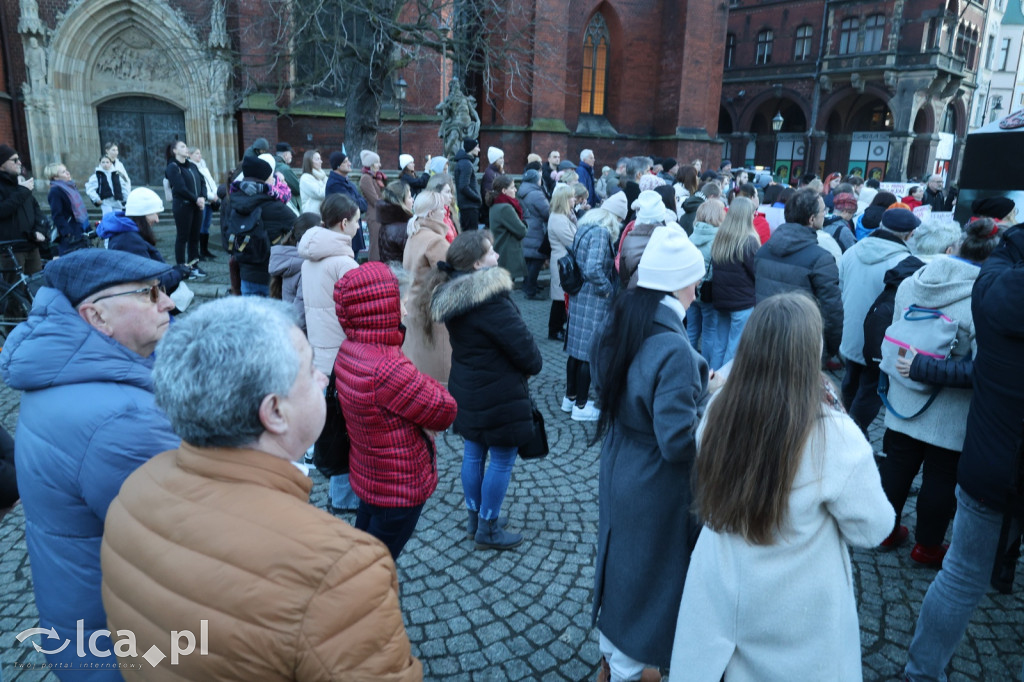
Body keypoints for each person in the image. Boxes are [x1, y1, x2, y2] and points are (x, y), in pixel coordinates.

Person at [100, 297, 422, 681]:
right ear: (274, 413)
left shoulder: (133, 492)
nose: (323, 378)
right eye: (309, 370)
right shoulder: (342, 568)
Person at [670, 293, 894, 681]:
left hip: (722, 593)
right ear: (812, 354)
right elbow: (874, 527)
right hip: (798, 616)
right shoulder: (835, 436)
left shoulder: (717, 413)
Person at [0, 249, 179, 674]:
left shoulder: (67, 372)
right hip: (133, 647)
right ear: (96, 318)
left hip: (83, 624)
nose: (167, 302)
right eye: (150, 293)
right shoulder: (122, 420)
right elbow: (195, 538)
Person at [591, 226, 713, 681]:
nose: (698, 290)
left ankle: (613, 658)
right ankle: (626, 667)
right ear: (679, 283)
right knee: (647, 573)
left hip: (620, 461)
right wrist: (712, 414)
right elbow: (679, 441)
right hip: (656, 481)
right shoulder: (673, 348)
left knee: (621, 559)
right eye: (694, 280)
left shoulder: (622, 318)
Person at [903, 223, 1024, 681]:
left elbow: (997, 261)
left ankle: (920, 673)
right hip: (993, 460)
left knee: (960, 576)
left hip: (991, 460)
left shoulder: (994, 294)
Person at [878, 218, 1000, 566]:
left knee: (896, 465)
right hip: (951, 409)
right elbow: (982, 366)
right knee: (941, 478)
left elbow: (897, 331)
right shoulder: (986, 296)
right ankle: (927, 546)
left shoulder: (913, 281)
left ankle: (885, 530)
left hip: (903, 395)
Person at [335, 263, 457, 559]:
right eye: (400, 304)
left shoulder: (351, 349)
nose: (404, 312)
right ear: (381, 310)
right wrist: (428, 380)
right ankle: (364, 603)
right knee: (375, 564)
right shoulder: (388, 368)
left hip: (370, 475)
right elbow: (444, 410)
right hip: (398, 486)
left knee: (364, 547)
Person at [430, 230, 543, 549]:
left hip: (467, 386)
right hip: (499, 393)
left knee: (474, 451)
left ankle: (475, 517)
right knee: (503, 458)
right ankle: (488, 529)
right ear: (478, 265)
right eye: (491, 253)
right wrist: (534, 364)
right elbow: (526, 351)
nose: (496, 256)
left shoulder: (453, 293)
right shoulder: (490, 300)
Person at [838, 207, 919, 433]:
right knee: (871, 390)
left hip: (850, 334)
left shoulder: (852, 250)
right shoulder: (906, 261)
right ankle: (852, 434)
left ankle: (839, 426)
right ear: (908, 235)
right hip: (879, 340)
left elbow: (840, 288)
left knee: (850, 381)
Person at [755, 187, 843, 361]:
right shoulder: (821, 259)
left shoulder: (763, 251)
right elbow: (832, 312)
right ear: (811, 219)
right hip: (802, 346)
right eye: (823, 210)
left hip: (765, 338)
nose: (825, 213)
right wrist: (827, 350)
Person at [565, 206, 621, 421]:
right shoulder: (600, 233)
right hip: (594, 299)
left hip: (580, 295)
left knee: (575, 351)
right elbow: (593, 269)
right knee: (589, 352)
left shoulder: (584, 229)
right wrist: (608, 290)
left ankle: (570, 399)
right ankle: (580, 405)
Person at [227, 155, 296, 296]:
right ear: (265, 179)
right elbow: (300, 229)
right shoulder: (276, 206)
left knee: (252, 317)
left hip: (245, 275)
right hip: (270, 278)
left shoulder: (232, 202)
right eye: (271, 177)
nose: (273, 180)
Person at [97, 187, 190, 292]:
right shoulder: (129, 241)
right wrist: (178, 273)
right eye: (155, 214)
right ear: (143, 214)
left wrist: (175, 270)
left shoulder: (127, 234)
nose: (157, 220)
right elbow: (149, 282)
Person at [403, 191, 453, 385]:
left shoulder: (415, 234)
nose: (444, 212)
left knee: (418, 364)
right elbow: (451, 275)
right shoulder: (434, 240)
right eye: (442, 209)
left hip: (414, 307)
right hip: (430, 311)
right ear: (432, 214)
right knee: (437, 375)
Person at [710, 196, 759, 369]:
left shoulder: (720, 238)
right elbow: (756, 273)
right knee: (734, 347)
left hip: (721, 300)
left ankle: (712, 379)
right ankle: (724, 386)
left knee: (719, 343)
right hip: (742, 301)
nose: (755, 215)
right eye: (753, 212)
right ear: (746, 215)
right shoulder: (748, 241)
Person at [689, 197, 726, 364]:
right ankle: (704, 368)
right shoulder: (719, 239)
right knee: (709, 331)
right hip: (708, 292)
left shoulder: (692, 235)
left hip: (690, 289)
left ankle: (687, 364)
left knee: (691, 329)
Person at [0, 145, 46, 275]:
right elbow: (2, 210)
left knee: (37, 287)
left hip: (31, 245)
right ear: (1, 164)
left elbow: (36, 210)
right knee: (16, 291)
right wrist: (22, 191)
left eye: (19, 159)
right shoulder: (21, 188)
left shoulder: (20, 185)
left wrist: (39, 230)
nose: (19, 163)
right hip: (10, 249)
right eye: (14, 160)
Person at [269, 211, 320, 328]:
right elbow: (299, 311)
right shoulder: (305, 265)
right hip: (301, 332)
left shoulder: (289, 256)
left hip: (289, 324)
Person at [164, 139, 207, 275]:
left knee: (195, 237)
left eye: (186, 146)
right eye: (182, 147)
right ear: (175, 151)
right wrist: (196, 199)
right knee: (183, 237)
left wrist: (203, 198)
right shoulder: (172, 167)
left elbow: (202, 182)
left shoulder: (192, 166)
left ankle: (194, 266)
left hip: (196, 206)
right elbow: (180, 187)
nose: (186, 149)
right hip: (183, 206)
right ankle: (181, 268)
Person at [487, 175, 527, 285]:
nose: (515, 190)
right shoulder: (505, 207)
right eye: (512, 187)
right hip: (507, 254)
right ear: (504, 191)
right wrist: (524, 224)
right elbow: (521, 231)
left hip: (502, 251)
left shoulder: (496, 204)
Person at [45, 162, 91, 255]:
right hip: (71, 233)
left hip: (80, 228)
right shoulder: (55, 191)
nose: (68, 173)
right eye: (63, 172)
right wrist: (68, 233)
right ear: (55, 177)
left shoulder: (70, 187)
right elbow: (57, 215)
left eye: (66, 170)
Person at [326, 151, 367, 254]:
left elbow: (363, 204)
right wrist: (359, 202)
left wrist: (359, 202)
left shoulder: (348, 183)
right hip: (344, 233)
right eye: (345, 162)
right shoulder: (334, 184)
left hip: (352, 231)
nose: (349, 164)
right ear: (338, 166)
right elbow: (352, 206)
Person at [518, 168, 550, 300]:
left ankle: (528, 285)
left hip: (528, 228)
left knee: (529, 261)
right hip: (536, 229)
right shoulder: (536, 194)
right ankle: (530, 290)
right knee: (537, 260)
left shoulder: (522, 190)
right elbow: (547, 212)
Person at [378, 180, 414, 263]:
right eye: (409, 197)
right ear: (400, 201)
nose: (412, 200)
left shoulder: (387, 221)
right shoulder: (403, 227)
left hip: (390, 271)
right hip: (401, 273)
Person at [359, 150, 385, 260]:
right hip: (374, 216)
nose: (379, 165)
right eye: (377, 162)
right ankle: (374, 268)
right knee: (375, 245)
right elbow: (375, 200)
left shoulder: (374, 178)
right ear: (371, 164)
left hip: (378, 215)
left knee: (379, 244)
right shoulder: (366, 178)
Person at [453, 138, 482, 231]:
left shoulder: (463, 162)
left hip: (466, 206)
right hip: (469, 206)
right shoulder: (466, 164)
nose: (479, 149)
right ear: (471, 148)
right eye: (477, 147)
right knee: (471, 237)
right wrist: (477, 198)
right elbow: (463, 186)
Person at [426, 173, 459, 243]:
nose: (451, 196)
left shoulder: (448, 214)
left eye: (451, 192)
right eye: (448, 192)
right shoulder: (434, 216)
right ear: (436, 193)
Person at [481, 147, 505, 224]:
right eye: (500, 158)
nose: (503, 160)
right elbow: (488, 193)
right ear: (495, 160)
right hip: (492, 210)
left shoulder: (496, 172)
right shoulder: (490, 174)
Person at [299, 149, 327, 215]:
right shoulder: (305, 178)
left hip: (322, 214)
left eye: (320, 159)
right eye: (317, 159)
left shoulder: (322, 176)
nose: (321, 161)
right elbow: (320, 194)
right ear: (309, 162)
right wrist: (327, 182)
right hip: (311, 215)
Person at [274, 142, 301, 210]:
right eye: (290, 153)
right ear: (285, 154)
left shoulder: (272, 164)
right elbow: (297, 188)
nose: (291, 156)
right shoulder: (284, 168)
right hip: (288, 205)